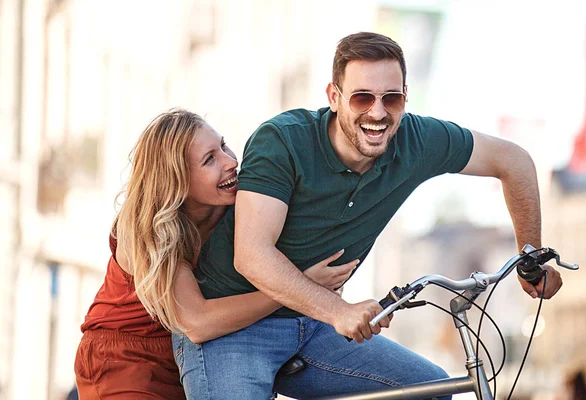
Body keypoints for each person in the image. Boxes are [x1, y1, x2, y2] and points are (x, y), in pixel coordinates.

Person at [175, 32, 564, 399]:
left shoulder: (417, 140)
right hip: (230, 330)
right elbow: (252, 255)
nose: (377, 113)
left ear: (405, 99)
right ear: (334, 96)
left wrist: (530, 260)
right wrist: (337, 310)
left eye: (391, 99)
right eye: (362, 98)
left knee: (432, 390)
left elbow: (514, 161)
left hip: (314, 329)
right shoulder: (283, 140)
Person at [73, 109, 357, 399]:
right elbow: (197, 321)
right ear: (177, 180)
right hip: (125, 357)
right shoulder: (148, 229)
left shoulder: (234, 207)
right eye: (209, 159)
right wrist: (297, 289)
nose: (231, 162)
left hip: (192, 353)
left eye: (223, 146)